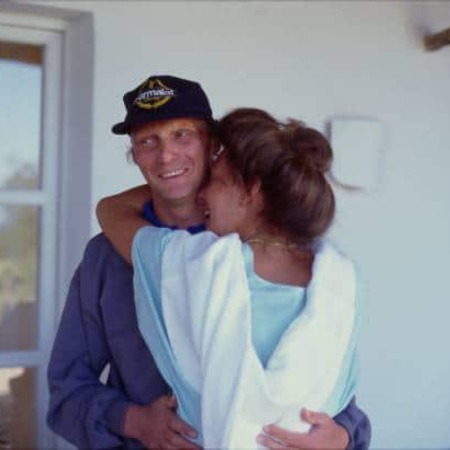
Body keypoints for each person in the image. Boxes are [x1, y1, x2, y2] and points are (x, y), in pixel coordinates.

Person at [47, 75, 371, 449]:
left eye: (182, 135)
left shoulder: (288, 256)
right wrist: (135, 421)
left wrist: (344, 436)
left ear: (212, 146)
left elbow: (324, 391)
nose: (166, 155)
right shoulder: (106, 256)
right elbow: (66, 389)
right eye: (147, 141)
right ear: (134, 155)